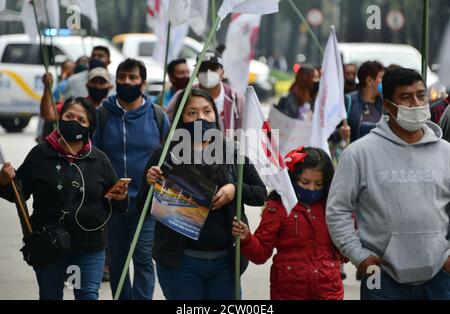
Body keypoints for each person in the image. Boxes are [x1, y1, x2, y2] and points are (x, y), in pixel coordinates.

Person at [327, 67, 450, 300]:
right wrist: (358, 256)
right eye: (406, 97)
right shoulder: (359, 154)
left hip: (440, 277)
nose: (416, 103)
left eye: (421, 95)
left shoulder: (446, 153)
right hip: (380, 277)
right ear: (387, 106)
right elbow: (337, 209)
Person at [139, 88, 267, 300]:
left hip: (226, 263)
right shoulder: (165, 154)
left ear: (215, 116)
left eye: (207, 111)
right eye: (192, 113)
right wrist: (151, 183)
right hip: (180, 263)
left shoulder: (232, 152)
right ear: (181, 118)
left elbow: (260, 193)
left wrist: (235, 189)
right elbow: (141, 207)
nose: (201, 118)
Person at [0, 97, 128, 300]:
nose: (74, 122)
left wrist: (120, 197)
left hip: (89, 247)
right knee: (50, 296)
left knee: (88, 295)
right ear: (60, 119)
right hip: (49, 246)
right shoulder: (40, 154)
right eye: (69, 116)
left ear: (90, 128)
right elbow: (18, 195)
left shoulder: (99, 159)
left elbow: (118, 205)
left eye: (81, 120)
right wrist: (5, 180)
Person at [92, 58, 170, 300]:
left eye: (133, 77)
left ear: (143, 83)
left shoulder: (158, 115)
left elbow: (170, 156)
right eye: (122, 77)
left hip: (147, 202)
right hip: (114, 204)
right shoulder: (102, 115)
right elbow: (93, 156)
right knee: (117, 260)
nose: (127, 82)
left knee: (143, 257)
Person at [232, 146, 345, 300]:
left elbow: (345, 252)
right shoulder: (278, 207)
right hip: (289, 292)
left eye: (318, 184)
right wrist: (247, 239)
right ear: (292, 179)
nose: (312, 189)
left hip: (328, 290)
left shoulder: (333, 207)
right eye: (305, 182)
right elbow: (261, 254)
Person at [166, 50, 244, 132]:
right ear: (196, 72)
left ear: (222, 73)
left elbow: (245, 132)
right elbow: (168, 127)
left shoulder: (236, 99)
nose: (208, 72)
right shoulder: (183, 96)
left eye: (213, 68)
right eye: (204, 68)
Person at [38, 67, 114, 143]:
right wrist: (47, 88)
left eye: (102, 83)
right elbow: (47, 114)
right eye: (94, 82)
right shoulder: (76, 106)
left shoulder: (113, 109)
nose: (97, 86)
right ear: (87, 85)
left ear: (110, 86)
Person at [340, 61, 384, 144]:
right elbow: (331, 130)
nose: (384, 82)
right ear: (369, 80)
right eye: (381, 77)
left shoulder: (384, 104)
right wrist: (340, 134)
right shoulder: (348, 101)